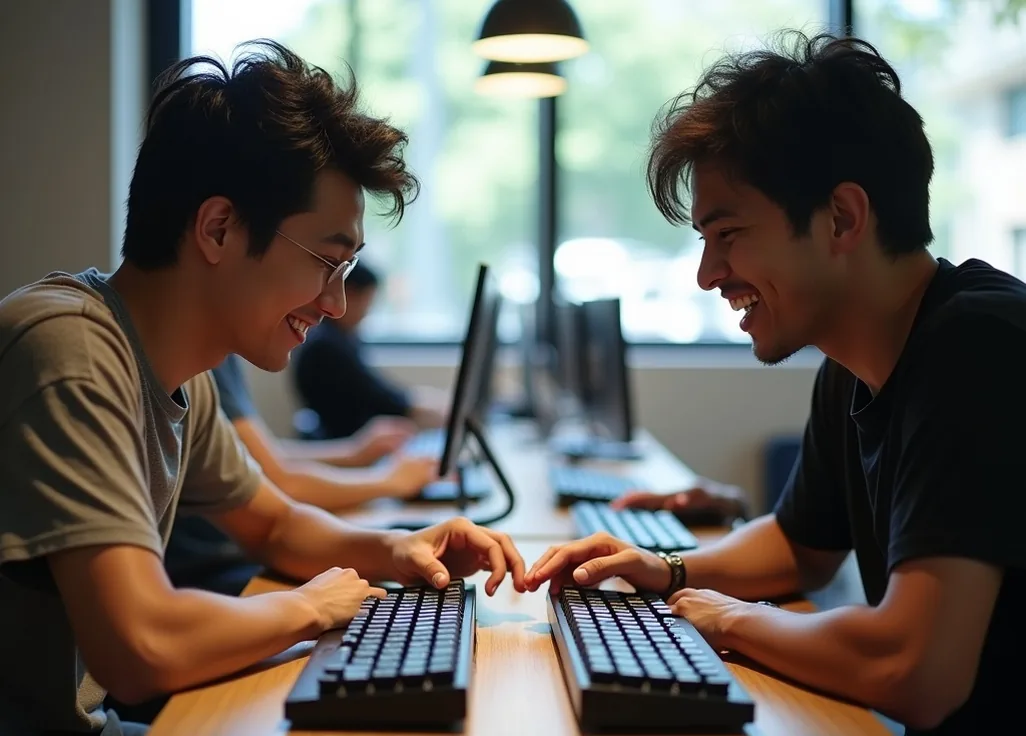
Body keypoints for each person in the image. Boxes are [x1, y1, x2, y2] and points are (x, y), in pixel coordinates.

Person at [0, 41, 524, 736]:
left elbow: (273, 523)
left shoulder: (184, 369)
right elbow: (140, 646)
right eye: (326, 263)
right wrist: (312, 607)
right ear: (218, 228)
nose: (336, 304)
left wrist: (397, 548)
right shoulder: (69, 350)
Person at [524, 30, 1025, 735]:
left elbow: (916, 670)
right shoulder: (853, 363)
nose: (707, 275)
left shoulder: (980, 346)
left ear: (842, 219)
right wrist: (665, 568)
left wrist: (727, 618)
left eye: (727, 233)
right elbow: (801, 546)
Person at [163, 353, 442, 599]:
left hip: (234, 558)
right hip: (211, 570)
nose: (333, 306)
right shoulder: (200, 368)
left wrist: (399, 547)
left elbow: (271, 498)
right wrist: (387, 482)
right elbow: (280, 481)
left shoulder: (201, 380)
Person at [293, 260, 448, 439]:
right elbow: (382, 399)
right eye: (368, 302)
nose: (367, 312)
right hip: (349, 441)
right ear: (349, 295)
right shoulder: (326, 347)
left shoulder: (342, 338)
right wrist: (437, 410)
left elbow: (381, 390)